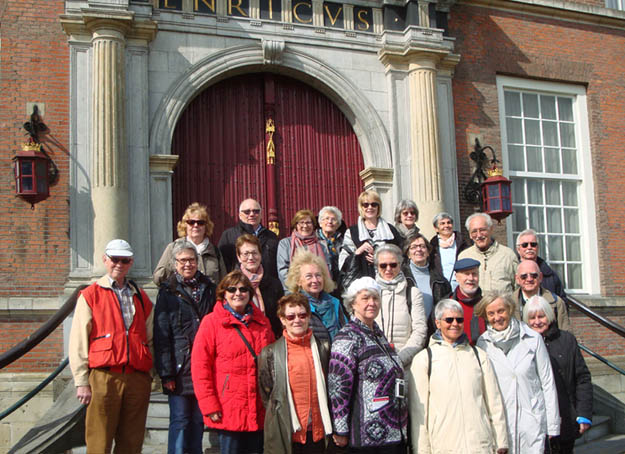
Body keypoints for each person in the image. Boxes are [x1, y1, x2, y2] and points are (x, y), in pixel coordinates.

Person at [69, 239, 153, 453]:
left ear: (131, 262)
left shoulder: (140, 296)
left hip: (136, 377)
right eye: (115, 259)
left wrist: (148, 372)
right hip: (103, 377)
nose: (119, 264)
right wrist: (81, 381)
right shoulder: (90, 295)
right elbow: (78, 341)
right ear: (105, 260)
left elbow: (151, 337)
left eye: (124, 260)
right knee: (99, 441)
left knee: (132, 443)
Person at [409, 299, 509, 454]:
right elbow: (419, 414)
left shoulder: (479, 356)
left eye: (459, 319)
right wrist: (422, 450)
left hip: (480, 446)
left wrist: (501, 442)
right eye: (449, 320)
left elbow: (494, 402)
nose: (454, 324)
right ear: (438, 323)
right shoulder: (424, 359)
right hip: (444, 447)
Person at [191, 270, 275, 454]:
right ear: (224, 293)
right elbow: (200, 367)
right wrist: (209, 404)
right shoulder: (211, 323)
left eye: (243, 289)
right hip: (229, 407)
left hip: (258, 407)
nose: (238, 293)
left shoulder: (262, 323)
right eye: (232, 289)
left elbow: (272, 364)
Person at [328, 277, 408, 453]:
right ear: (353, 303)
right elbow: (338, 387)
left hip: (393, 432)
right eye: (365, 298)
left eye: (375, 298)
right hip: (367, 437)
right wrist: (340, 429)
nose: (372, 303)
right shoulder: (347, 337)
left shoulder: (378, 334)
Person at [476, 291, 560, 454]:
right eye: (491, 313)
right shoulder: (483, 343)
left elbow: (547, 383)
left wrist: (552, 426)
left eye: (501, 311)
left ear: (510, 309)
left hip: (531, 421)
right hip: (501, 426)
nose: (497, 317)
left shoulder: (532, 338)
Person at [154, 240, 217, 454]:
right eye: (182, 261)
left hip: (203, 366)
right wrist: (166, 373)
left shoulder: (209, 288)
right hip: (179, 367)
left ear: (197, 262)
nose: (187, 264)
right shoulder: (168, 291)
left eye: (191, 260)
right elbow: (162, 335)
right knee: (180, 420)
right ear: (174, 264)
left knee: (198, 421)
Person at [258, 293, 334, 453]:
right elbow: (268, 396)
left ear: (308, 317)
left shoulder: (323, 348)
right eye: (291, 316)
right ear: (282, 319)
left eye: (302, 315)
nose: (297, 320)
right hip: (287, 434)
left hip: (318, 434)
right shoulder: (270, 353)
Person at [523, 296, 593, 454]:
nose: (537, 321)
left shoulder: (567, 340)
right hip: (535, 422)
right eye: (532, 318)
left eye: (541, 316)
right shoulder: (522, 344)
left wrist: (583, 413)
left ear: (549, 315)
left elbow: (582, 378)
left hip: (565, 417)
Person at [374, 244, 427, 367]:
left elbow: (420, 331)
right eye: (383, 265)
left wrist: (400, 359)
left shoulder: (412, 293)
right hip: (375, 364)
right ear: (377, 266)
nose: (388, 269)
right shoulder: (368, 293)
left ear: (400, 265)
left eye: (393, 265)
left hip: (405, 364)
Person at [339, 190, 403, 290]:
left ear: (378, 207)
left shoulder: (391, 231)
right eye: (366, 205)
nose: (370, 208)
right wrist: (358, 251)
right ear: (361, 207)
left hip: (388, 286)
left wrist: (380, 259)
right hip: (361, 286)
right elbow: (343, 263)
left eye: (374, 204)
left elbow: (401, 258)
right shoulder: (351, 232)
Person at [154, 202, 226, 285]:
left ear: (206, 226)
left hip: (209, 297)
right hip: (180, 297)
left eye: (200, 223)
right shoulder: (173, 248)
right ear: (185, 225)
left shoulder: (214, 251)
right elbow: (158, 278)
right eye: (191, 222)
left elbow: (224, 282)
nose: (196, 225)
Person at [285, 250, 348, 343]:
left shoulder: (334, 303)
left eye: (318, 275)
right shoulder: (294, 306)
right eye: (309, 276)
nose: (315, 280)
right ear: (298, 281)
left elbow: (346, 331)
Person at [236, 233, 284, 338]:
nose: (251, 257)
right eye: (246, 254)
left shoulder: (274, 284)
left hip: (271, 339)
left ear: (261, 255)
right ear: (238, 257)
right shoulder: (232, 285)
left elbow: (281, 316)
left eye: (254, 253)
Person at [218, 198, 280, 278]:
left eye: (256, 211)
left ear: (261, 215)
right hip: (239, 286)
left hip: (267, 286)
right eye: (247, 212)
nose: (252, 214)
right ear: (240, 215)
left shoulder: (271, 236)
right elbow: (222, 265)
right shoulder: (228, 235)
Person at [458, 212, 518, 293]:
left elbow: (518, 289)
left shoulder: (508, 255)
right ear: (470, 235)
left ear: (491, 229)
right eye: (474, 231)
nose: (479, 235)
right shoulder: (464, 257)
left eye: (482, 230)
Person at [403, 233, 452, 325]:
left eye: (422, 246)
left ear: (428, 252)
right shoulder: (402, 278)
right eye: (413, 247)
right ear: (408, 253)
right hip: (409, 328)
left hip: (433, 328)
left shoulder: (440, 281)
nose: (419, 249)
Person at [277, 209, 331, 290]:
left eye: (308, 222)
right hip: (293, 290)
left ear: (313, 225)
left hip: (318, 290)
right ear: (296, 225)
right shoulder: (285, 243)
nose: (305, 226)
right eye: (301, 223)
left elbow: (327, 268)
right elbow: (283, 269)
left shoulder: (322, 245)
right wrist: (298, 286)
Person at [513, 260, 571, 330]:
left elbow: (566, 335)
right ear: (517, 279)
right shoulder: (509, 304)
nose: (529, 279)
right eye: (524, 276)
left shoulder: (556, 302)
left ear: (540, 277)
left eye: (534, 275)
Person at [516, 229, 566, 299]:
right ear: (518, 249)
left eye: (533, 244)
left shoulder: (550, 275)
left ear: (537, 247)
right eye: (525, 245)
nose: (529, 247)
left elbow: (562, 301)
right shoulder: (512, 270)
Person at [428, 212, 470, 290]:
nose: (446, 226)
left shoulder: (462, 242)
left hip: (460, 285)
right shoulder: (432, 246)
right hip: (441, 287)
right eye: (442, 223)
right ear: (436, 228)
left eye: (449, 223)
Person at [449, 258, 486, 344]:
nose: (471, 278)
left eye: (474, 274)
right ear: (456, 277)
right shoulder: (448, 304)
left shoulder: (486, 304)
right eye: (466, 274)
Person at [317, 206, 346, 286]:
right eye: (326, 218)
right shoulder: (313, 241)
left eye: (333, 219)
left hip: (340, 282)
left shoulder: (344, 241)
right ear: (320, 223)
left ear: (338, 224)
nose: (330, 222)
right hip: (319, 281)